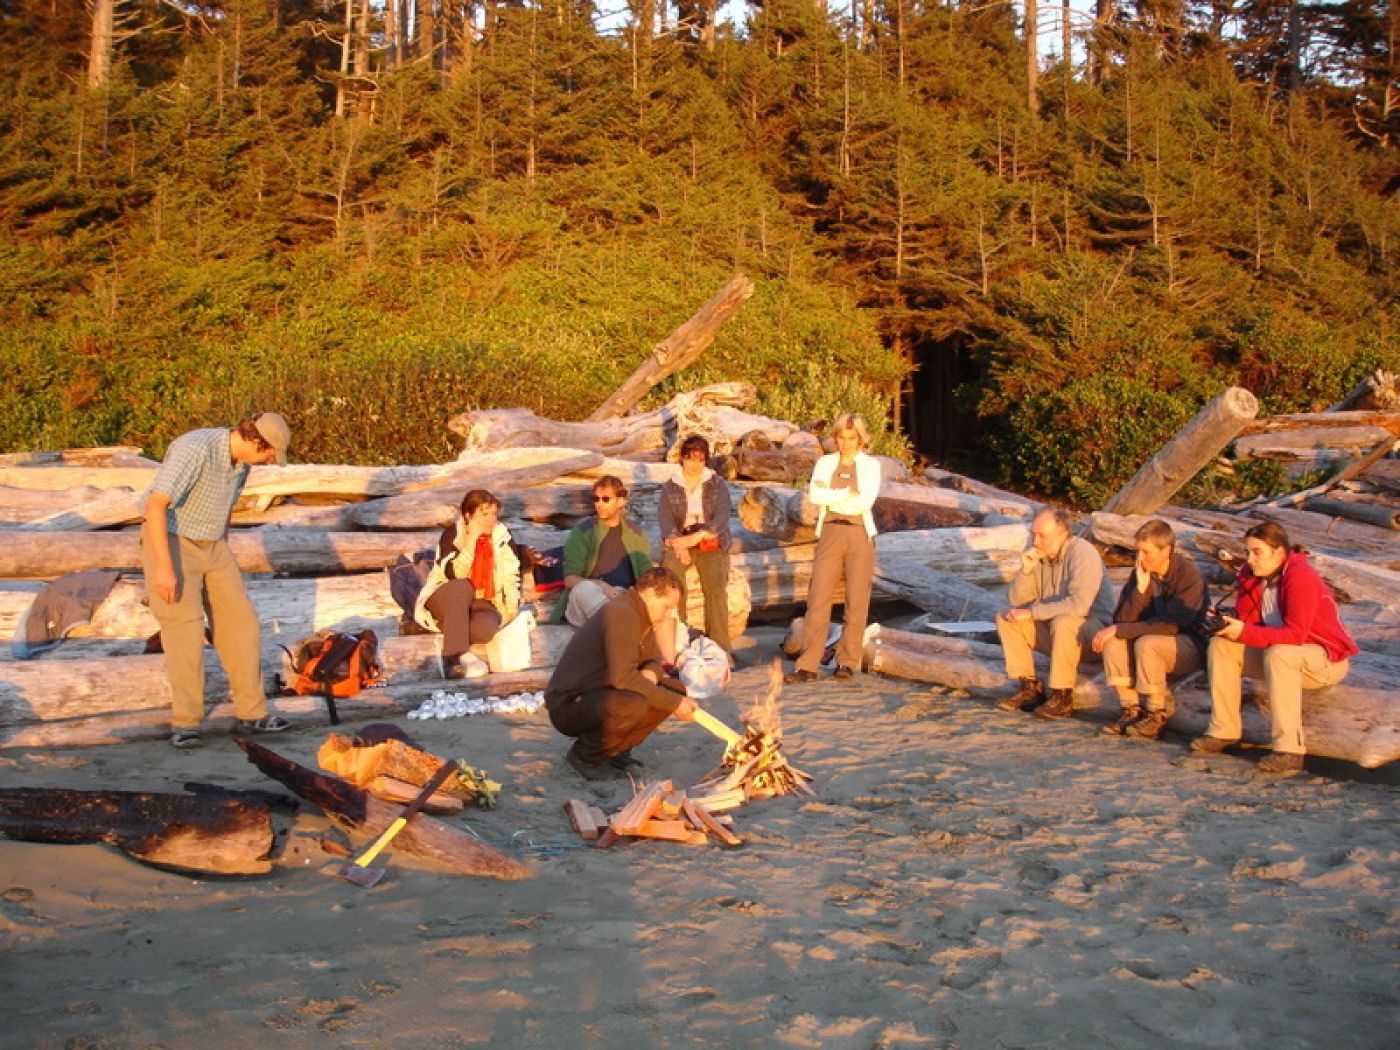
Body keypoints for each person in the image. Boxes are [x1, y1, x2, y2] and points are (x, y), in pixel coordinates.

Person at [141, 412, 294, 748]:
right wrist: (164, 568)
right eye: (269, 453)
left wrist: (221, 543)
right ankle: (186, 722)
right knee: (185, 631)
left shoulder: (242, 462)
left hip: (213, 546)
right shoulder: (195, 448)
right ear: (256, 440)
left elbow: (225, 505)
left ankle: (252, 713)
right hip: (173, 541)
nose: (270, 460)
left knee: (242, 625)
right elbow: (154, 506)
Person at [1191, 522, 1358, 773]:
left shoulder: (1301, 576)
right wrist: (1227, 619)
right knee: (1220, 645)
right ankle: (1224, 730)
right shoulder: (1251, 575)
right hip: (1281, 653)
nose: (1250, 559)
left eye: (1257, 552)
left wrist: (1244, 631)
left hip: (1324, 658)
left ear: (1279, 552)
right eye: (1248, 552)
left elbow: (1296, 634)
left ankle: (1288, 749)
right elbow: (1249, 621)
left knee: (1280, 653)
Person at [545, 567, 698, 780]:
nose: (668, 614)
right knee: (635, 703)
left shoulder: (641, 615)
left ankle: (616, 751)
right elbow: (623, 677)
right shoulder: (622, 612)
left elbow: (655, 660)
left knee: (674, 688)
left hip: (599, 692)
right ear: (652, 592)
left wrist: (651, 674)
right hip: (569, 703)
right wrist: (674, 704)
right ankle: (584, 756)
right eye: (666, 607)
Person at [784, 414, 882, 683]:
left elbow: (864, 502)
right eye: (841, 437)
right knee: (818, 598)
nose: (846, 443)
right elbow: (816, 496)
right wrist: (846, 495)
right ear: (835, 438)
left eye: (852, 438)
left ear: (860, 439)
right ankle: (808, 663)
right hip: (830, 530)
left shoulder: (871, 465)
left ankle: (847, 662)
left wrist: (836, 496)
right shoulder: (826, 463)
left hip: (859, 533)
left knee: (857, 600)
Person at [1091, 519, 1208, 740]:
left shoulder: (1189, 575)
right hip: (1153, 637)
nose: (1140, 559)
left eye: (1147, 552)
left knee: (1147, 642)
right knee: (1114, 639)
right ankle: (1130, 708)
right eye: (1138, 552)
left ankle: (1156, 712)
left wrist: (1122, 629)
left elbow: (1172, 624)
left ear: (1168, 550)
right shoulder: (1142, 572)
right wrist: (1141, 591)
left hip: (1189, 642)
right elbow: (1122, 619)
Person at [995, 508, 1114, 719]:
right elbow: (1016, 602)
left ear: (1062, 534)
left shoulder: (1082, 552)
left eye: (1042, 535)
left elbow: (1079, 606)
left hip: (1092, 634)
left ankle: (1062, 696)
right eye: (1033, 534)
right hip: (1056, 633)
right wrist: (1026, 571)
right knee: (1007, 616)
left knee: (1065, 621)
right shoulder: (1038, 555)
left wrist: (1033, 613)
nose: (1035, 541)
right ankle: (1029, 688)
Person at [413, 489, 520, 679]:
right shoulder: (452, 534)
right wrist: (471, 540)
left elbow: (512, 571)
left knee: (487, 630)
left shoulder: (502, 535)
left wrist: (511, 606)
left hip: (482, 600)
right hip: (447, 595)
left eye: (494, 514)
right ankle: (453, 657)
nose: (491, 520)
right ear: (468, 515)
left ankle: (438, 627)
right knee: (462, 586)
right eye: (484, 514)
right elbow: (454, 574)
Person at [659, 434, 733, 655]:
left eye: (700, 459)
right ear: (682, 458)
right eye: (690, 458)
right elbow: (665, 520)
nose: (695, 464)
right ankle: (678, 643)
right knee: (673, 581)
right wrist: (679, 545)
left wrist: (699, 536)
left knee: (715, 585)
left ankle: (720, 649)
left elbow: (721, 517)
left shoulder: (716, 484)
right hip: (680, 539)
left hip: (708, 539)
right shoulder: (670, 486)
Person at [550, 475, 655, 627]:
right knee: (584, 589)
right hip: (589, 597)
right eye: (596, 499)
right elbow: (570, 579)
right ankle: (620, 623)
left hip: (624, 596)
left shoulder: (636, 533)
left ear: (621, 501)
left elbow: (646, 574)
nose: (599, 504)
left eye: (605, 499)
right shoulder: (583, 531)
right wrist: (601, 586)